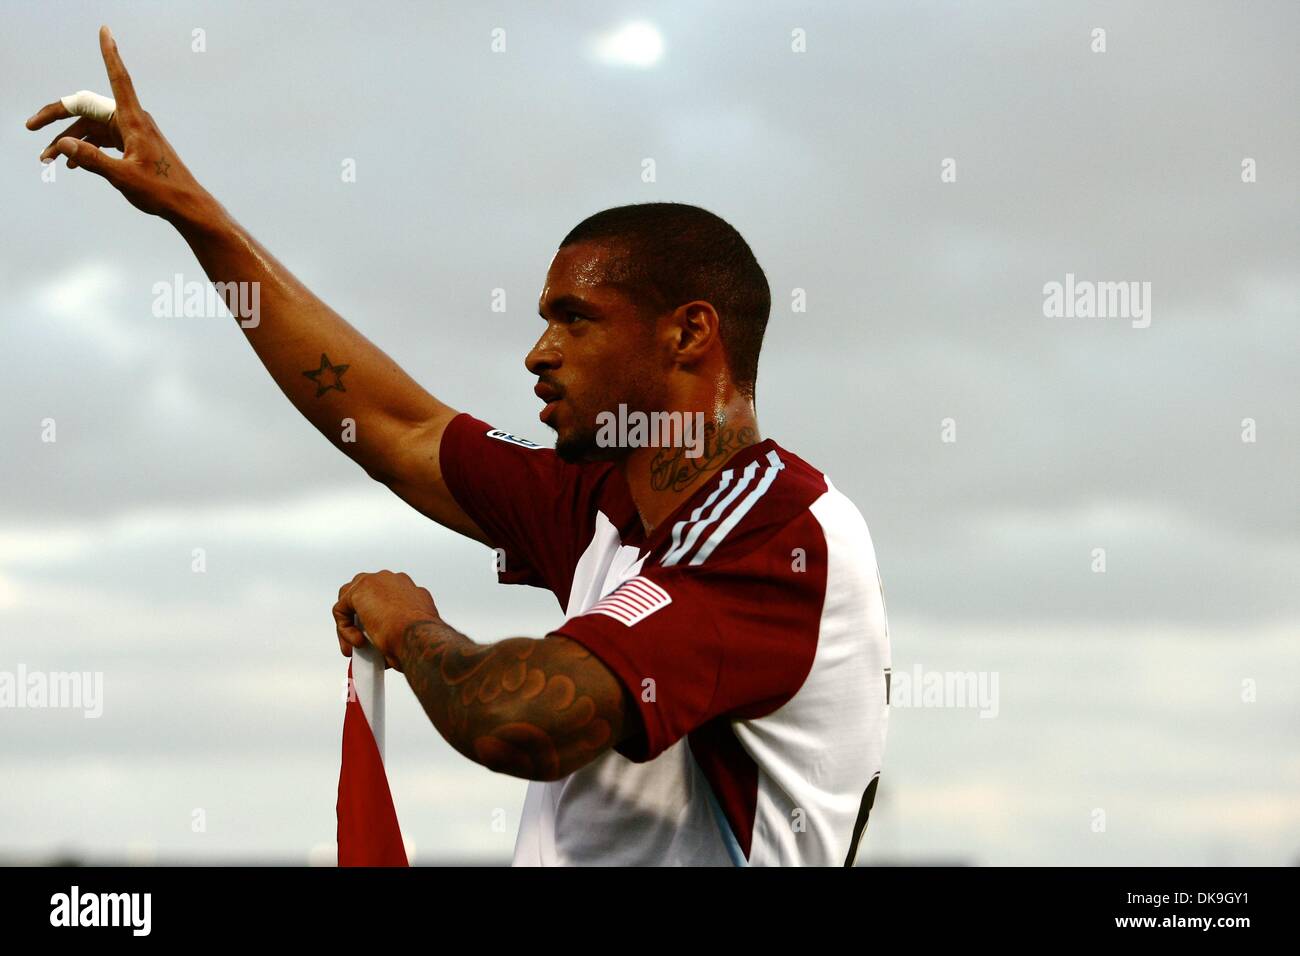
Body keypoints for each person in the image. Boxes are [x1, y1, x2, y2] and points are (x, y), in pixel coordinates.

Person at [29, 26, 891, 866]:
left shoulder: (778, 535)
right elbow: (399, 422)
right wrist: (196, 215)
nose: (538, 350)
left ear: (689, 333)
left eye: (574, 318)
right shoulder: (604, 498)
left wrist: (412, 628)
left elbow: (523, 722)